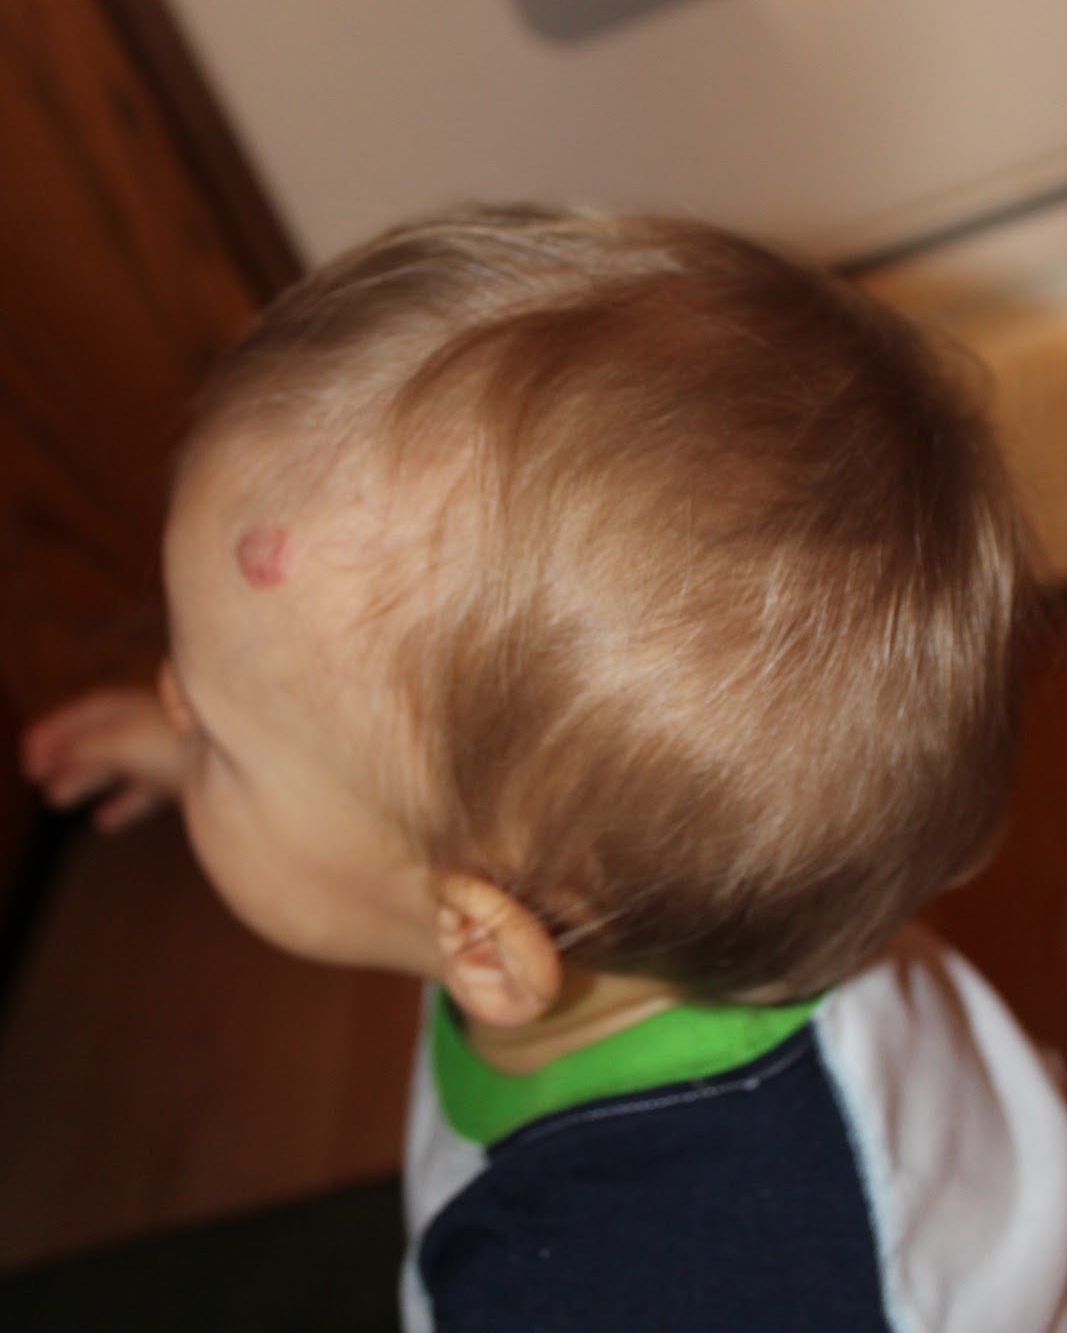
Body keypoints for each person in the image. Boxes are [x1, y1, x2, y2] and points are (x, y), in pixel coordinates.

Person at [21, 206, 1067, 1331]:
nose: (174, 698)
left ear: (481, 941)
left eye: (218, 735)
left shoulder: (599, 1285)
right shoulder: (670, 880)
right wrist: (203, 750)